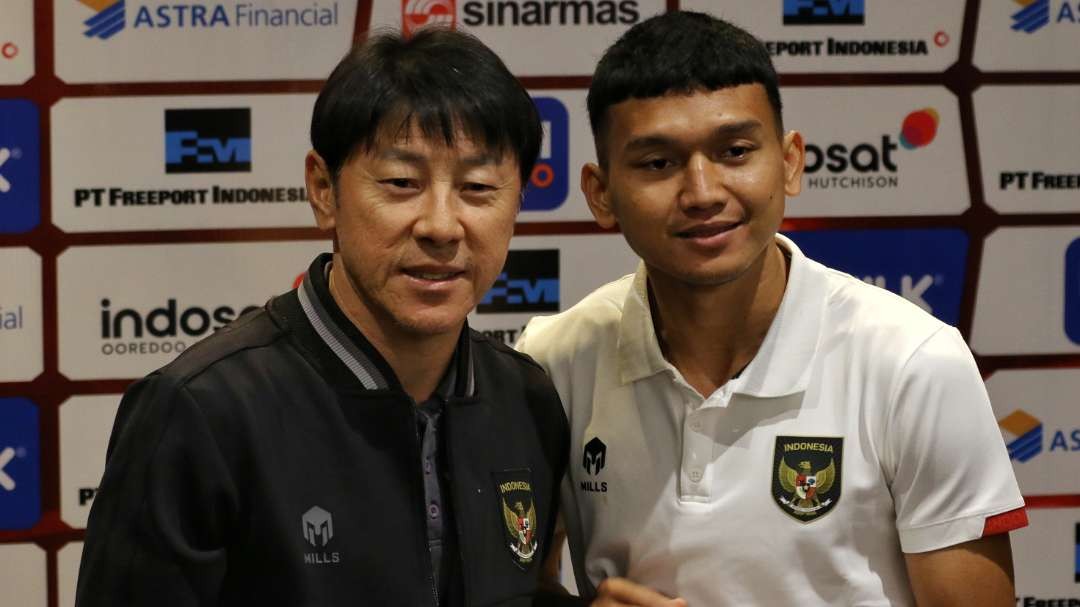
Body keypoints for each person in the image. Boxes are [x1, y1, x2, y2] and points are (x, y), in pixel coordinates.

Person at [516, 11, 1027, 607]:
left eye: (734, 151)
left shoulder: (914, 361)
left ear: (789, 163)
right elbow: (523, 584)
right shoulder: (551, 360)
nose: (703, 193)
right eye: (658, 163)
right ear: (602, 194)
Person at [76, 28, 569, 607]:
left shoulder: (526, 396)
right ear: (323, 190)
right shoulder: (202, 409)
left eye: (478, 187)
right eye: (401, 183)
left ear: (518, 203)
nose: (441, 225)